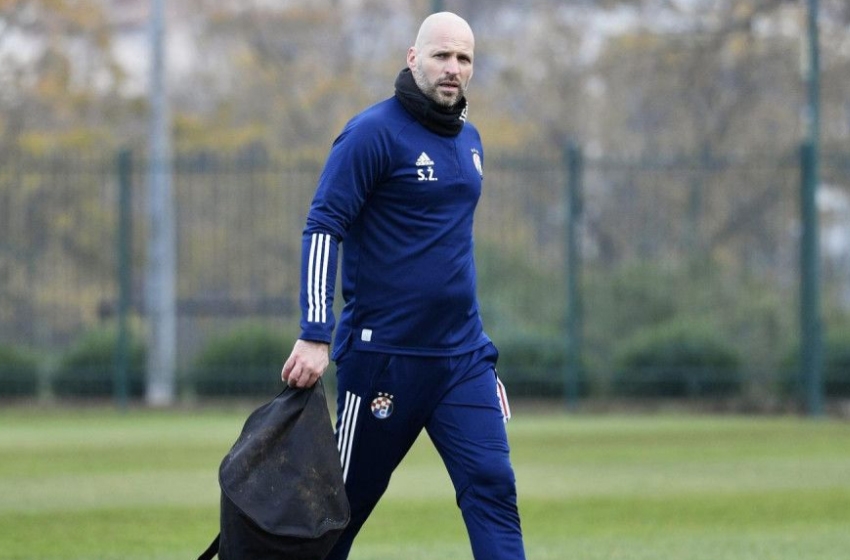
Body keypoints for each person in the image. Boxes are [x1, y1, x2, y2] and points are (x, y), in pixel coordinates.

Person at [281, 11, 526, 560]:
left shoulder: (471, 141)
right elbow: (323, 226)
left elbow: (447, 251)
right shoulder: (372, 133)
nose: (453, 68)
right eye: (441, 55)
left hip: (462, 361)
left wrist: (476, 347)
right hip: (383, 359)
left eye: (464, 58)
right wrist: (315, 332)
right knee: (338, 512)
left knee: (493, 487)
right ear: (413, 58)